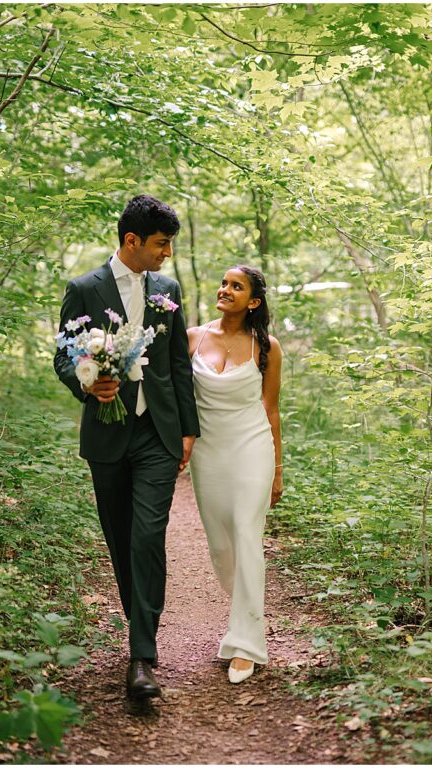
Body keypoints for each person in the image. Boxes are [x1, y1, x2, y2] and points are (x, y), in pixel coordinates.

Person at [55, 194, 199, 699]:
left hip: (157, 433)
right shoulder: (83, 289)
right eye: (161, 245)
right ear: (132, 241)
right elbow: (63, 356)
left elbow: (177, 364)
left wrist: (188, 428)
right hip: (107, 433)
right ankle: (139, 630)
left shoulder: (168, 288)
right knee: (120, 540)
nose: (167, 254)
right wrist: (88, 381)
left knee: (147, 537)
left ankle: (142, 657)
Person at [186, 265, 283, 684]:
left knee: (247, 534)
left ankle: (246, 643)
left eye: (236, 286)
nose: (225, 289)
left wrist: (278, 469)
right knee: (223, 549)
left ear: (253, 301)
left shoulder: (267, 347)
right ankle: (247, 612)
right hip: (209, 454)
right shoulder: (192, 337)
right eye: (224, 283)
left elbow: (271, 409)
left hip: (252, 450)